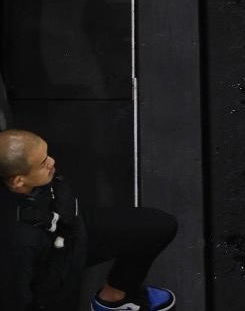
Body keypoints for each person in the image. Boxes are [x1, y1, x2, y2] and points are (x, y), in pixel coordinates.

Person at [0, 128, 176, 311]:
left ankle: (113, 301)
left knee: (159, 227)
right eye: (43, 163)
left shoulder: (26, 177)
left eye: (47, 154)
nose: (52, 162)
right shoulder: (16, 242)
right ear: (18, 181)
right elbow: (16, 299)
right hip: (54, 272)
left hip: (73, 229)